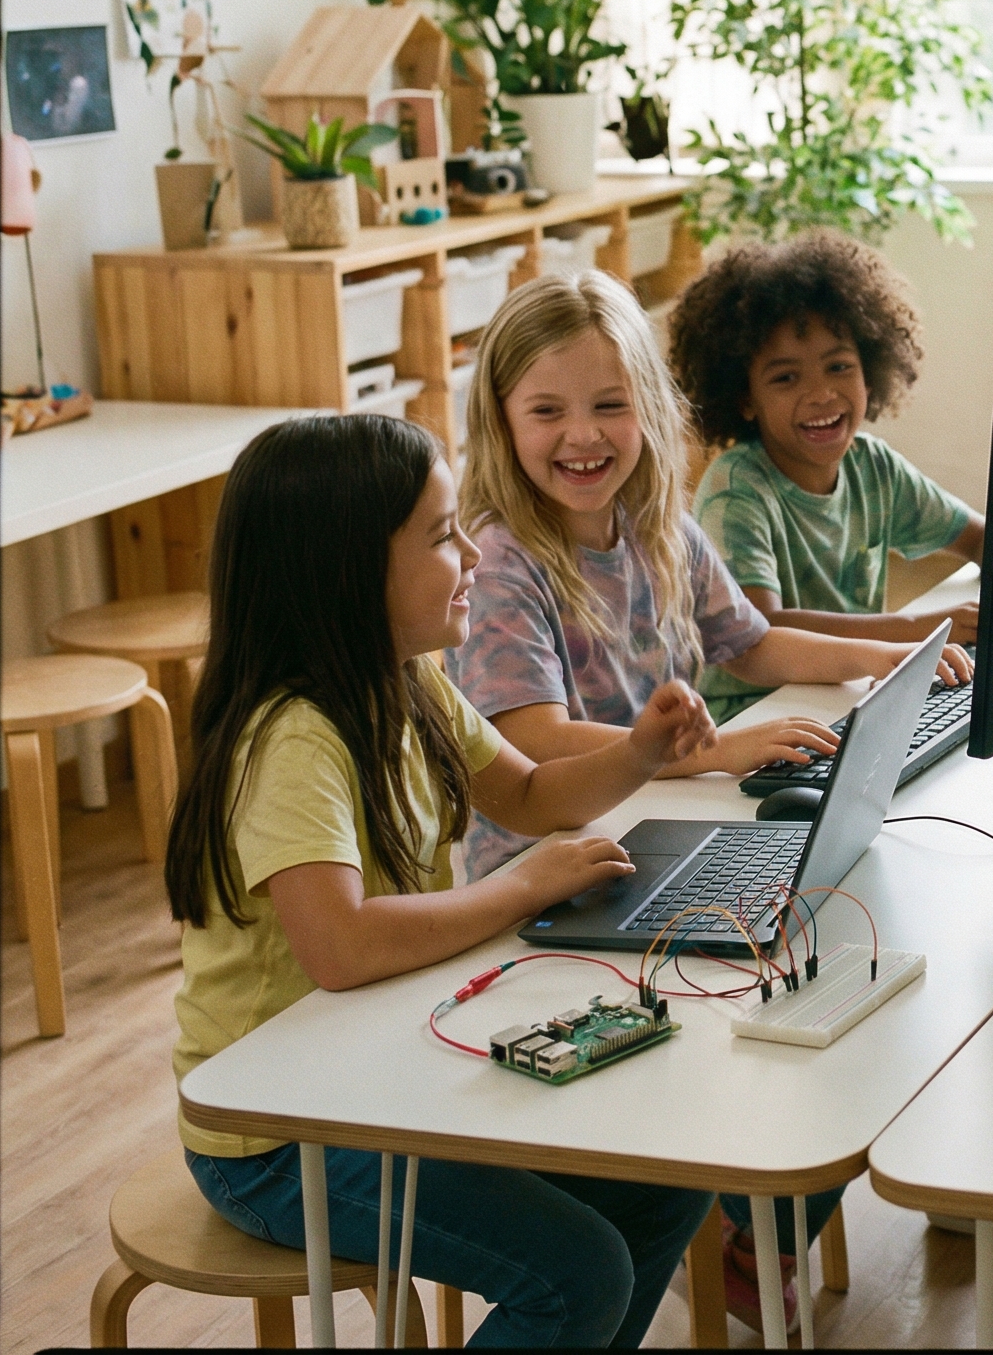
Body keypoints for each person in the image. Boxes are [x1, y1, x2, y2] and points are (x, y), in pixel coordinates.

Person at [452, 270, 966, 1327]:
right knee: (807, 977)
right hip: (554, 880)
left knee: (858, 958)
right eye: (548, 410)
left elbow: (753, 639)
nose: (582, 436)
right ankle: (730, 1209)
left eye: (609, 406)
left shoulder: (659, 524)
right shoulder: (504, 561)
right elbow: (537, 746)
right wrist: (711, 751)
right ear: (502, 422)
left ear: (649, 405)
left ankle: (744, 1214)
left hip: (659, 839)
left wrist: (900, 655)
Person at [168, 413, 720, 1347]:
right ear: (344, 570)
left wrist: (638, 751)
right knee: (579, 1276)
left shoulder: (410, 677)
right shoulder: (294, 737)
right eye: (440, 534)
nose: (472, 552)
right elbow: (340, 947)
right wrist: (521, 889)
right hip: (275, 1136)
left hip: (379, 1071)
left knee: (673, 1180)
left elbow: (535, 791)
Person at [670, 234, 989, 703]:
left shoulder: (873, 467)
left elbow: (980, 540)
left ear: (870, 368)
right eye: (786, 377)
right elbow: (759, 630)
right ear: (744, 399)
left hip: (846, 691)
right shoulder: (736, 492)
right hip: (749, 717)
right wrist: (908, 629)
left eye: (838, 366)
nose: (821, 394)